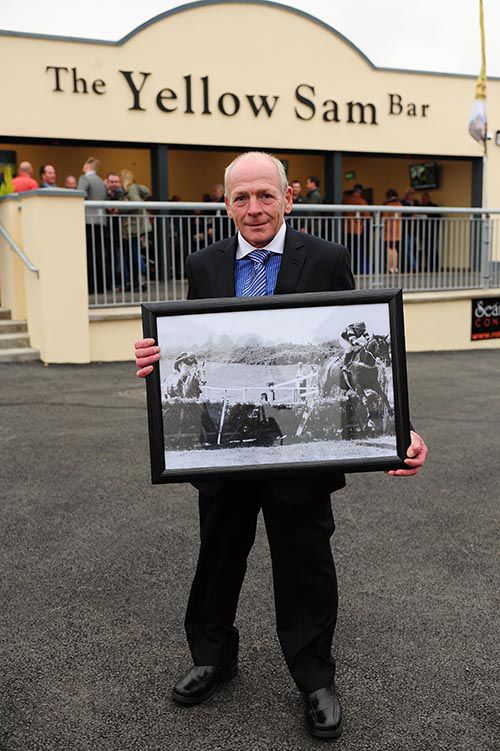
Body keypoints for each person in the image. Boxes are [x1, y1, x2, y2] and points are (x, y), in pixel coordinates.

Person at [134, 152, 428, 740]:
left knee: (306, 564)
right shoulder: (204, 264)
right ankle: (212, 657)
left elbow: (359, 345)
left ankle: (315, 677)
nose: (254, 208)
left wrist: (399, 429)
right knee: (217, 557)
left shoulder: (326, 259)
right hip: (224, 449)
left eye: (265, 195)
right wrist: (156, 357)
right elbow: (194, 341)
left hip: (299, 449)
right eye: (241, 198)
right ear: (226, 205)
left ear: (288, 198)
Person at [77, 158, 108, 294]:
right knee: (99, 255)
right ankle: (100, 286)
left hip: (89, 221)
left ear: (87, 165)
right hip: (101, 222)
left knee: (89, 255)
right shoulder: (101, 182)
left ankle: (90, 287)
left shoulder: (84, 179)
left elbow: (79, 195)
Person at [119, 169, 152, 291]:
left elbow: (136, 204)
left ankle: (140, 282)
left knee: (134, 255)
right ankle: (136, 282)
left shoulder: (131, 188)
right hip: (135, 227)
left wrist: (120, 209)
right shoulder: (132, 188)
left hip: (134, 228)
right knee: (133, 255)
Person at [344, 184, 369, 274]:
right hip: (357, 230)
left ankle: (348, 269)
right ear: (360, 192)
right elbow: (367, 216)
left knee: (348, 251)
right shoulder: (361, 201)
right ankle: (356, 270)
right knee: (357, 252)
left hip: (346, 229)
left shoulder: (346, 199)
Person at [401, 188, 420, 273]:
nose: (412, 196)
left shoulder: (416, 203)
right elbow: (402, 214)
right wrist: (410, 216)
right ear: (406, 195)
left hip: (414, 230)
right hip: (406, 230)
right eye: (411, 194)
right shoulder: (402, 203)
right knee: (408, 249)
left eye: (413, 194)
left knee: (414, 249)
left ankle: (413, 266)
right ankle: (413, 266)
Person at [383, 188, 402, 274]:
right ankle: (395, 267)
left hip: (389, 229)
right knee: (395, 249)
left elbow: (384, 218)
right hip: (398, 229)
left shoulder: (388, 205)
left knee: (389, 248)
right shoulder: (399, 204)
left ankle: (390, 267)